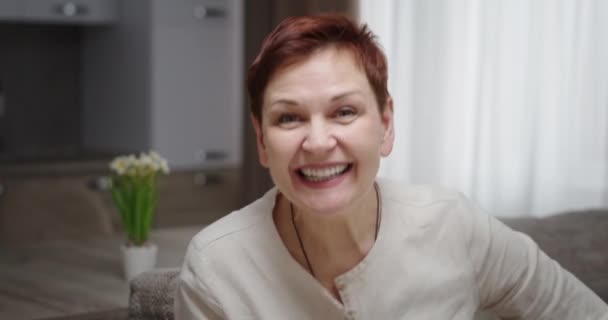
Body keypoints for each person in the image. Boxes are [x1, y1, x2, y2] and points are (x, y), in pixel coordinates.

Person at [174, 14, 608, 319]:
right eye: (289, 117)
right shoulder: (217, 267)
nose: (319, 142)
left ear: (385, 125)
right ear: (262, 141)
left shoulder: (452, 224)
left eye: (344, 111)